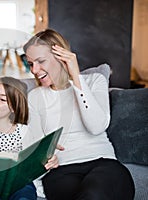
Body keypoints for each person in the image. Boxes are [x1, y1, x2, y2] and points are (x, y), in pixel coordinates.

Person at [23, 28, 135, 200]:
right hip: (62, 171)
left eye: (40, 61)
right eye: (31, 63)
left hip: (102, 163)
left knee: (95, 193)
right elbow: (38, 145)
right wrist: (46, 155)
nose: (34, 70)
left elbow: (96, 126)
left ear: (61, 56)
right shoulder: (35, 97)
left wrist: (75, 76)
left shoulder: (94, 81)